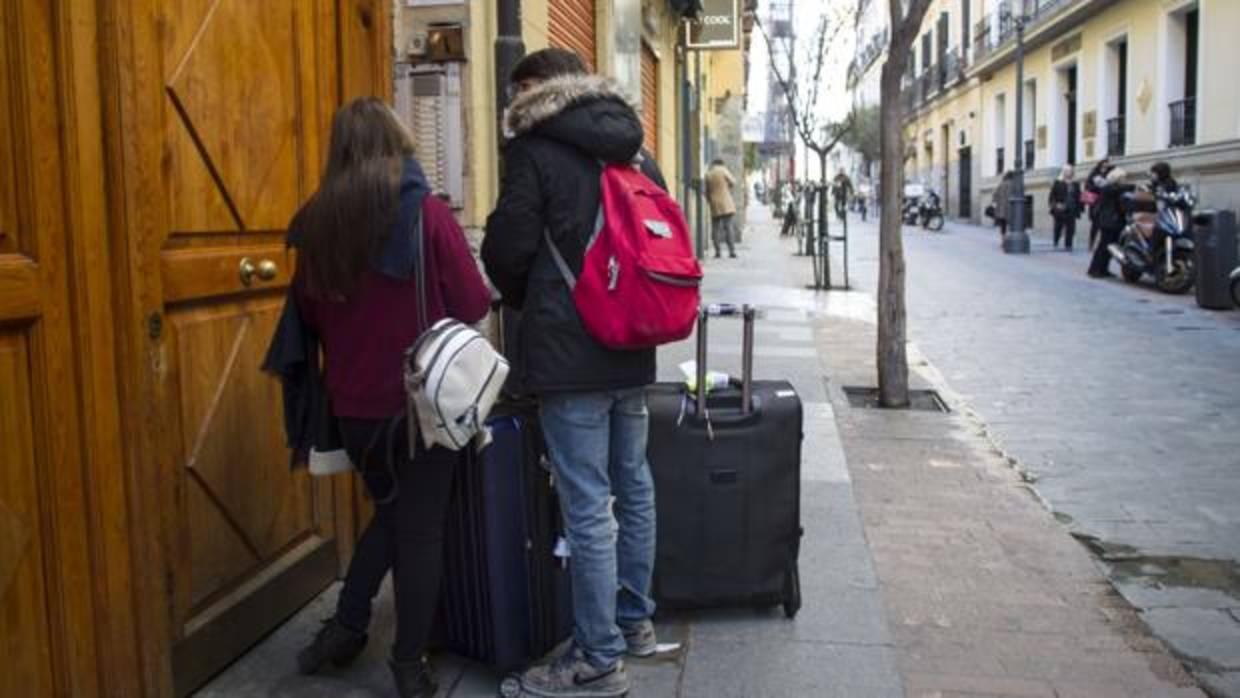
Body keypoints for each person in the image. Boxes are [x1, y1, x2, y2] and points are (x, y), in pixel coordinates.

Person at [287, 98, 491, 698]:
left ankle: (346, 628)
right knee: (420, 530)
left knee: (395, 509)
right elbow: (475, 303)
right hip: (421, 406)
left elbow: (308, 318)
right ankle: (407, 665)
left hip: (353, 411)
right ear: (397, 144)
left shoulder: (314, 225)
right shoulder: (425, 215)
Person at [482, 48, 663, 698]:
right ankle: (635, 624)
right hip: (632, 344)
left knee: (587, 506)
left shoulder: (533, 151)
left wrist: (535, 304)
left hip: (569, 351)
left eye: (516, 87)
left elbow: (507, 247)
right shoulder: (632, 147)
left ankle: (596, 656)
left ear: (535, 89)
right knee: (633, 487)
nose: (510, 99)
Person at [1087, 167, 1133, 278]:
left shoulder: (1113, 188)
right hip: (1109, 221)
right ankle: (1094, 270)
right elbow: (1118, 190)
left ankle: (1103, 269)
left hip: (1113, 221)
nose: (1125, 180)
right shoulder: (1109, 189)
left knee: (1109, 247)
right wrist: (1133, 186)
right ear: (1118, 178)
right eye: (1123, 178)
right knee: (1103, 246)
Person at [705, 158, 739, 258]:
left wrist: (709, 200)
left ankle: (717, 252)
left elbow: (706, 191)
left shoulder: (708, 174)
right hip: (726, 203)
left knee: (715, 228)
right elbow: (733, 182)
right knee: (728, 227)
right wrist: (727, 187)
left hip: (714, 203)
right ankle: (732, 251)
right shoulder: (723, 170)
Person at [1048, 165, 1082, 251]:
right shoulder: (1058, 182)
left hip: (1072, 208)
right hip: (1060, 208)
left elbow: (1078, 196)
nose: (1069, 173)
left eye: (1070, 171)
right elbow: (1052, 196)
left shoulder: (1075, 183)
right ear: (1063, 172)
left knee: (1071, 228)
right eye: (1067, 171)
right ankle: (1056, 241)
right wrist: (1056, 205)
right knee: (1058, 227)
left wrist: (1080, 206)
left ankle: (1068, 245)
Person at [1084, 158, 1112, 249]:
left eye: (1106, 166)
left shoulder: (1110, 174)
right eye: (1103, 166)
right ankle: (1091, 244)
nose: (1105, 168)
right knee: (1095, 225)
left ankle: (1103, 244)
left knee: (1105, 225)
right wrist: (1097, 186)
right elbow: (1088, 187)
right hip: (1095, 203)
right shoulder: (1094, 174)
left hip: (1106, 202)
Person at [991, 171, 1013, 242]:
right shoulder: (1013, 184)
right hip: (1010, 208)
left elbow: (994, 195)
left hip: (1001, 209)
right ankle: (1010, 240)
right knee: (1011, 224)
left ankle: (1003, 241)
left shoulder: (1001, 184)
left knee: (1003, 225)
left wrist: (997, 202)